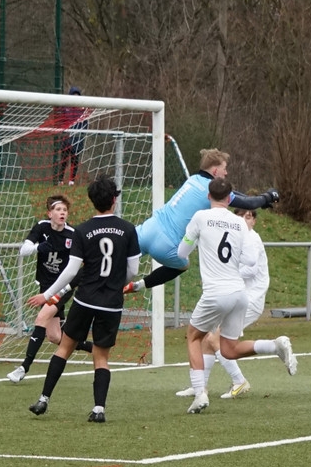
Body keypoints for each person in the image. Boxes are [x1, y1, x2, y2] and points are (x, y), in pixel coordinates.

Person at [176, 178, 297, 414]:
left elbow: (182, 252)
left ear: (208, 197)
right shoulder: (240, 223)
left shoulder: (200, 217)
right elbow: (250, 260)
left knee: (193, 337)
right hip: (240, 294)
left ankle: (200, 392)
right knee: (228, 349)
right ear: (230, 198)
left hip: (216, 292)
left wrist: (199, 243)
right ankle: (274, 346)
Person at [26, 176, 141, 422]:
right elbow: (132, 270)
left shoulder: (82, 230)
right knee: (101, 357)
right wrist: (115, 284)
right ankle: (99, 409)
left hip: (85, 300)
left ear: (92, 201)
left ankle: (43, 399)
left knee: (64, 348)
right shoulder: (128, 229)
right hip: (111, 303)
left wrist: (47, 295)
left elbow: (70, 271)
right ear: (114, 199)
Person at [123, 148, 279, 293]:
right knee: (183, 266)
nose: (226, 173)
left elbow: (237, 195)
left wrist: (262, 200)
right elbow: (248, 203)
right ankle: (139, 285)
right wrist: (268, 196)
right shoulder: (209, 189)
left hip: (148, 228)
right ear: (215, 170)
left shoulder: (193, 179)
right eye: (224, 168)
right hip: (166, 245)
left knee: (118, 265)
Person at [175, 207, 268, 399]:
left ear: (254, 220)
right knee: (207, 338)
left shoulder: (252, 238)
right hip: (234, 294)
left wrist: (224, 273)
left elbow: (251, 269)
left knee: (214, 340)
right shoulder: (235, 232)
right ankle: (200, 386)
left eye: (248, 216)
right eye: (240, 215)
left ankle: (239, 379)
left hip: (249, 298)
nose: (244, 220)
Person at [6, 195, 93, 383]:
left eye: (65, 210)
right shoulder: (42, 227)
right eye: (58, 209)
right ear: (50, 213)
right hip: (46, 285)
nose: (62, 213)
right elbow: (23, 250)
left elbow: (86, 261)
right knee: (54, 336)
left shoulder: (73, 234)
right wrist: (39, 248)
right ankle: (93, 348)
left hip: (63, 286)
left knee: (41, 318)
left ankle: (24, 367)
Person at [57, 86, 87, 185]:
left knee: (75, 160)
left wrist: (81, 135)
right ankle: (60, 180)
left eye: (77, 96)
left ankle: (71, 181)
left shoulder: (82, 110)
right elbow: (60, 120)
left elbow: (85, 124)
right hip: (66, 137)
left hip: (77, 138)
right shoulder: (65, 108)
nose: (75, 98)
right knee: (64, 160)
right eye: (74, 95)